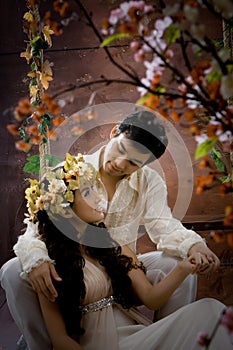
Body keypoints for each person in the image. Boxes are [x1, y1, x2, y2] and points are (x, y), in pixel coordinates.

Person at [0, 110, 220, 349]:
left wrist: (194, 246)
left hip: (121, 269)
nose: (119, 164)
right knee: (13, 269)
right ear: (115, 132)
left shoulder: (149, 181)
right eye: (122, 151)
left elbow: (164, 226)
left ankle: (172, 337)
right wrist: (37, 261)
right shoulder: (68, 174)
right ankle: (41, 345)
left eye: (133, 163)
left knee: (175, 260)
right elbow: (33, 230)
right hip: (73, 276)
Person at [15, 163, 233, 350]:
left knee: (210, 310)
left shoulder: (113, 245)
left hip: (136, 335)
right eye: (88, 192)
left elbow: (152, 299)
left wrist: (184, 267)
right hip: (96, 345)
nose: (99, 196)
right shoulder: (49, 265)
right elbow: (60, 340)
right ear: (65, 209)